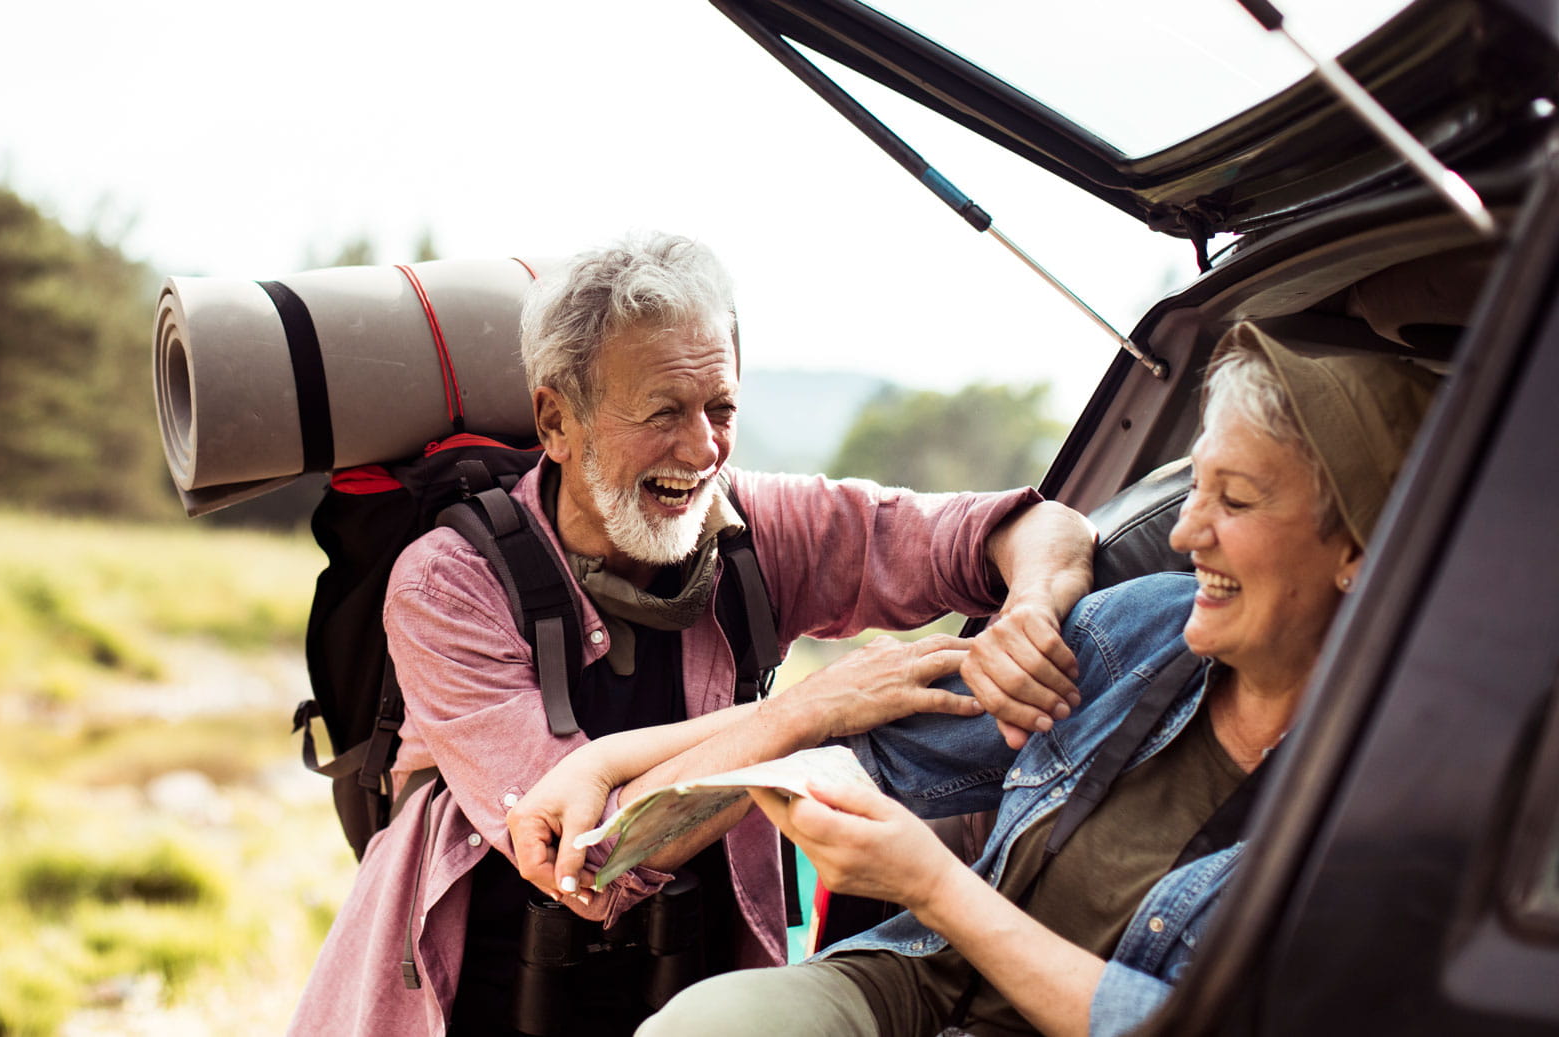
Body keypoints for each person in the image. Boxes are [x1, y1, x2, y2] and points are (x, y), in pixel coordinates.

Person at [512, 322, 1438, 1037]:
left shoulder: (1410, 810)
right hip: (923, 983)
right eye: (1195, 489)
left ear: (1361, 546)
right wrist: (612, 760)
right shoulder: (1150, 629)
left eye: (1235, 502)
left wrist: (934, 884)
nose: (1190, 532)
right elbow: (869, 725)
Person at [286, 232, 1098, 1036]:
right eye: (664, 412)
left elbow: (1032, 525)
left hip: (697, 990)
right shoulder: (446, 582)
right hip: (474, 999)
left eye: (722, 407)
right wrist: (809, 711)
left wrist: (1029, 606)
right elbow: (588, 860)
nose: (703, 447)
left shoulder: (755, 528)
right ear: (556, 420)